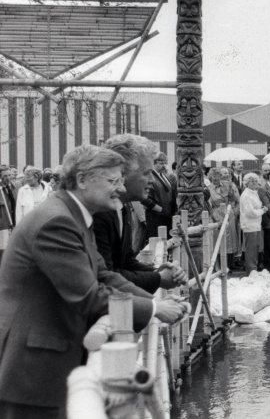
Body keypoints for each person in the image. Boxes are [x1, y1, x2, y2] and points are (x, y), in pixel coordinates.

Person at [0, 145, 186, 418]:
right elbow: (88, 295)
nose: (121, 189)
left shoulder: (74, 216)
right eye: (113, 181)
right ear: (82, 180)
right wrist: (156, 310)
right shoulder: (57, 222)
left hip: (51, 359)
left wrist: (153, 301)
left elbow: (105, 275)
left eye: (122, 180)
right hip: (33, 368)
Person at [93, 134, 188, 294]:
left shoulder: (120, 208)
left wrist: (156, 272)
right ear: (122, 173)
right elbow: (105, 277)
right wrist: (158, 279)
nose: (151, 180)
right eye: (146, 173)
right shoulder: (99, 212)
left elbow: (126, 261)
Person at [207, 167, 241, 266]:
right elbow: (208, 206)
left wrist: (234, 212)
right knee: (219, 239)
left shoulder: (228, 185)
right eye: (214, 176)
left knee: (231, 240)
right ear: (210, 177)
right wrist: (214, 215)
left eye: (218, 176)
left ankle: (231, 263)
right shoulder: (208, 189)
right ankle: (220, 264)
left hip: (229, 213)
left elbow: (237, 201)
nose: (216, 178)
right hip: (216, 215)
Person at [143, 152, 177, 242]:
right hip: (156, 217)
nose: (164, 166)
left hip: (167, 216)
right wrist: (160, 210)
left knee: (167, 242)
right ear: (154, 163)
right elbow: (145, 199)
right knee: (157, 243)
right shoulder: (150, 177)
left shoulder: (165, 176)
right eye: (161, 163)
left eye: (165, 163)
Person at [240, 172, 267, 275]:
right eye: (252, 181)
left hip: (255, 225)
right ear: (246, 183)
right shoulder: (246, 195)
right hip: (249, 225)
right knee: (251, 250)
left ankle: (253, 270)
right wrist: (262, 211)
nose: (255, 183)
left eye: (256, 181)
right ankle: (251, 271)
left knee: (255, 248)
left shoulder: (253, 193)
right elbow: (250, 212)